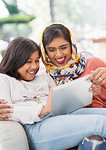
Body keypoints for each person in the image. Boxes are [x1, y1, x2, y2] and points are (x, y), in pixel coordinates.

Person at [0, 37, 106, 150]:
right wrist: (43, 109)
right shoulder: (4, 80)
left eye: (36, 61)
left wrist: (88, 91)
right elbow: (7, 112)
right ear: (15, 60)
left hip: (61, 115)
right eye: (28, 62)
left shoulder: (44, 78)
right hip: (36, 127)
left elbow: (60, 102)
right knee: (101, 124)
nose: (34, 66)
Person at [40, 23, 106, 150]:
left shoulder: (93, 63)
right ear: (45, 51)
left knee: (94, 143)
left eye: (63, 47)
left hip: (98, 132)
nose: (58, 55)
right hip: (65, 134)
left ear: (72, 45)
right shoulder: (43, 78)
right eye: (51, 50)